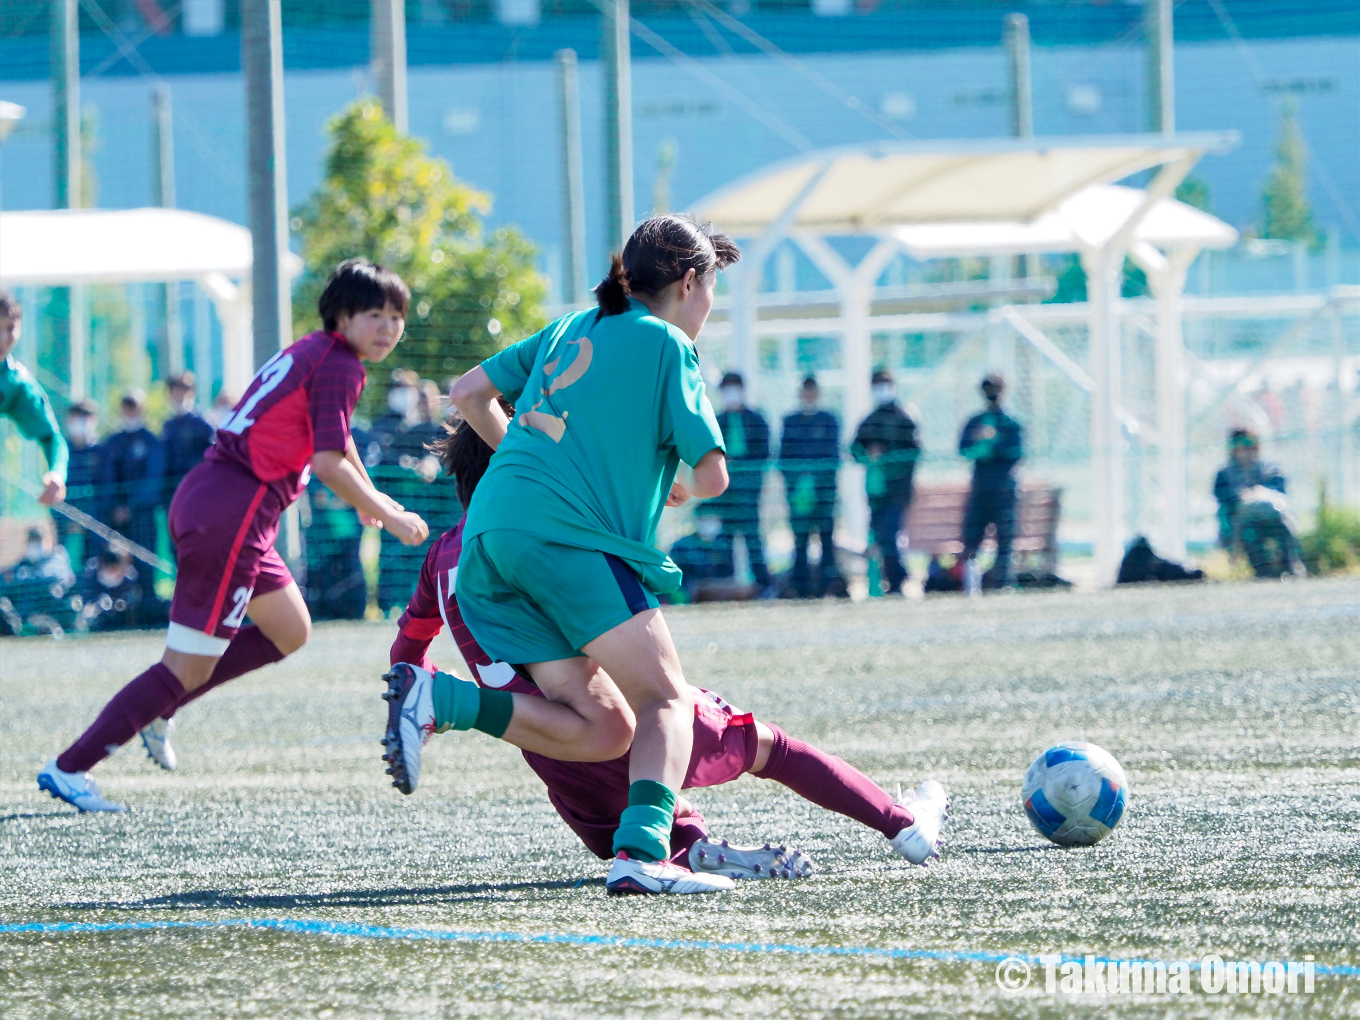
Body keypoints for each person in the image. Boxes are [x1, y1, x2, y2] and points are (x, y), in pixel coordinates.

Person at [383, 413, 949, 887]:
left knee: (643, 827)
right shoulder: (540, 528)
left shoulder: (442, 556)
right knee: (766, 746)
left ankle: (696, 847)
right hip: (613, 714)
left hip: (550, 753)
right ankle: (903, 824)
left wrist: (414, 700)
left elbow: (407, 648)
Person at [38, 259, 430, 810]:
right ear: (341, 316)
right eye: (375, 314)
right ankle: (70, 766)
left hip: (221, 501)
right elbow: (327, 460)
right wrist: (386, 514)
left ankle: (164, 704)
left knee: (290, 628)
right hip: (233, 514)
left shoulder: (315, 350)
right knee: (186, 665)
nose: (389, 327)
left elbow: (337, 447)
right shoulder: (342, 364)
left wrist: (376, 501)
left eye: (397, 316)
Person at [438, 215, 747, 895]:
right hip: (568, 543)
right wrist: (678, 488)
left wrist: (531, 457)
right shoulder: (668, 344)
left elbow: (466, 394)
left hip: (489, 536)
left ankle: (443, 700)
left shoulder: (571, 326)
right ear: (690, 282)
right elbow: (714, 477)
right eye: (710, 292)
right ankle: (640, 855)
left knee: (605, 724)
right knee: (666, 699)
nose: (707, 310)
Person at [851, 370, 920, 595]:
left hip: (897, 490)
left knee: (890, 534)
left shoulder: (904, 417)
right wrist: (868, 454)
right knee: (879, 537)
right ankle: (887, 580)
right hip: (875, 491)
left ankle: (898, 579)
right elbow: (855, 449)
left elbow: (913, 452)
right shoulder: (870, 420)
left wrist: (888, 457)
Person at [0, 290, 67, 508]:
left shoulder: (16, 383)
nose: (3, 338)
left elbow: (52, 438)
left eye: (10, 328)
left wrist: (56, 473)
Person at [779, 375, 844, 598]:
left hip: (824, 494)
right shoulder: (791, 422)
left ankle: (828, 586)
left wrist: (816, 481)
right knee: (800, 541)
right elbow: (784, 458)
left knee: (826, 539)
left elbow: (833, 457)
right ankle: (801, 588)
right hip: (798, 496)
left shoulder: (829, 421)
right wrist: (799, 482)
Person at [706, 371, 772, 590]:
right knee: (725, 538)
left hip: (749, 490)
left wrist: (740, 465)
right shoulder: (715, 421)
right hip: (723, 492)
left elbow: (763, 452)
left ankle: (763, 584)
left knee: (752, 536)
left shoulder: (757, 421)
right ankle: (726, 583)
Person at [958, 373, 1024, 589]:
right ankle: (970, 584)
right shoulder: (975, 422)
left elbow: (1016, 452)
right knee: (972, 537)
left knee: (1005, 540)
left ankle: (1002, 583)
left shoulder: (1010, 423)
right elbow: (964, 448)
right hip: (980, 489)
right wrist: (979, 442)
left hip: (1004, 490)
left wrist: (994, 444)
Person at [99, 391, 164, 602]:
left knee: (145, 563)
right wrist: (115, 507)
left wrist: (131, 507)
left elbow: (153, 480)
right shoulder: (113, 442)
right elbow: (108, 479)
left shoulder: (151, 441)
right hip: (116, 519)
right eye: (126, 407)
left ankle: (147, 607)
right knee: (116, 561)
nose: (129, 412)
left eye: (133, 407)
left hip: (142, 516)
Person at [1212, 428, 1300, 578]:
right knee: (1250, 534)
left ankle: (1290, 567)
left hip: (1271, 520)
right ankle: (1262, 572)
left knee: (1283, 526)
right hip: (1242, 525)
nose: (1244, 450)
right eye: (1239, 445)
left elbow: (1280, 492)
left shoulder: (1269, 469)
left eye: (1248, 445)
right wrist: (1241, 498)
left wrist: (1260, 494)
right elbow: (1225, 501)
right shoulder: (1225, 475)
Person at [668, 510, 757, 602]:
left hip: (723, 592)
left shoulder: (725, 545)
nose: (708, 523)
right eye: (704, 519)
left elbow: (738, 580)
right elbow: (674, 580)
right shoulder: (682, 545)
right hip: (689, 594)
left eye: (712, 519)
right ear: (696, 520)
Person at [57, 400, 104, 568]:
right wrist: (67, 520)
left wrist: (87, 519)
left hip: (95, 522)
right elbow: (55, 487)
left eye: (83, 418)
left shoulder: (100, 451)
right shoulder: (61, 450)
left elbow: (105, 490)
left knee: (93, 563)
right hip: (65, 524)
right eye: (75, 418)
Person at [160, 371, 216, 510]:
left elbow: (212, 453)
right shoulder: (168, 425)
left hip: (198, 489)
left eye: (182, 390)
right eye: (175, 390)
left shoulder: (202, 423)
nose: (178, 395)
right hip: (174, 492)